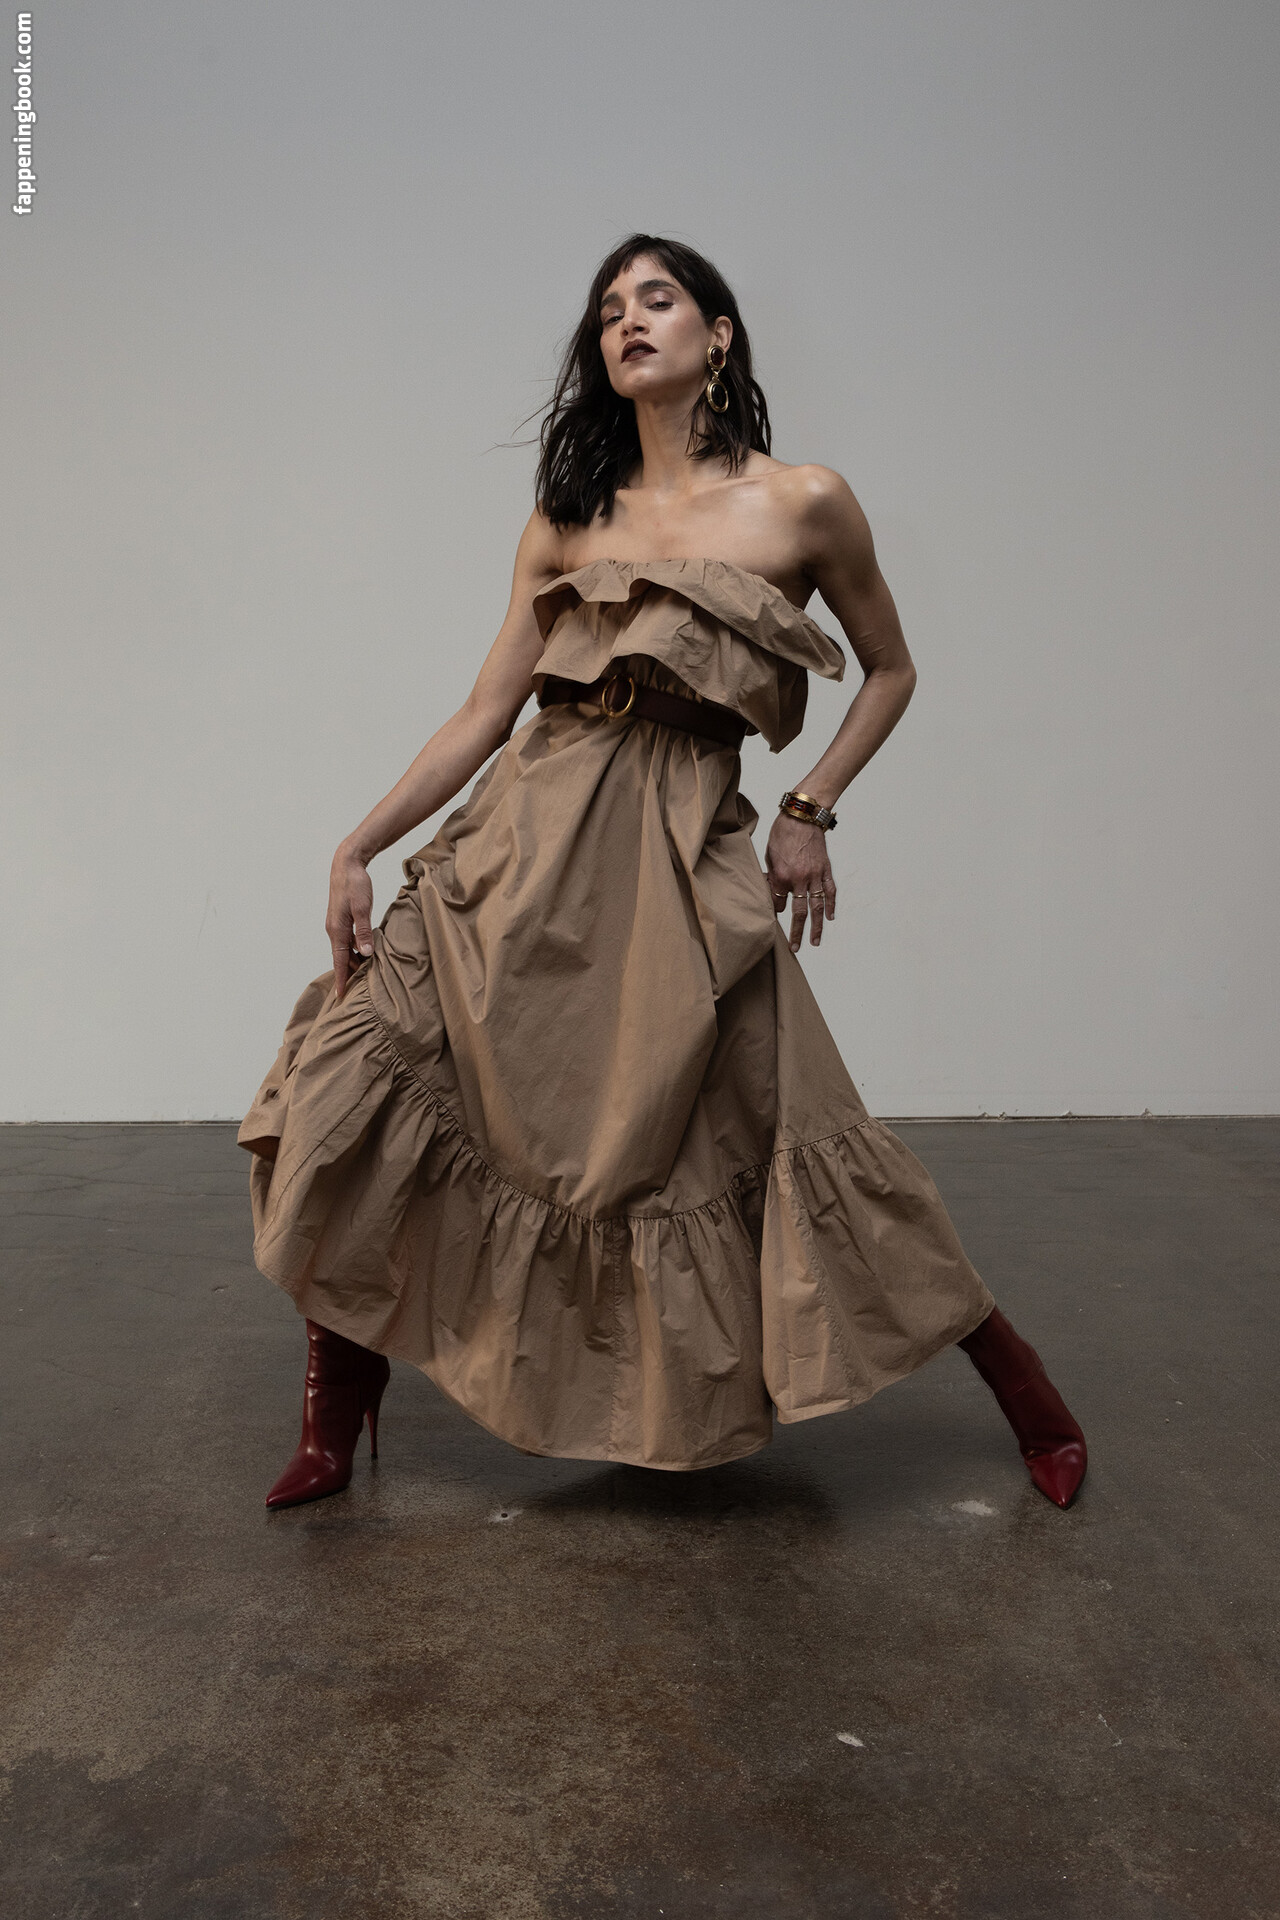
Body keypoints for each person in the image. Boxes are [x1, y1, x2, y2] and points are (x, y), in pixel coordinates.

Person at [238, 234, 1087, 1514]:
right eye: (607, 311)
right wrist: (357, 844)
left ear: (717, 333)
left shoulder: (802, 502)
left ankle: (1025, 1395)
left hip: (677, 866)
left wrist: (808, 807)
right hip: (519, 849)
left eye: (656, 299)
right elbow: (484, 714)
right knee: (356, 1080)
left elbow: (890, 669)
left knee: (794, 1124)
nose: (627, 321)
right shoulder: (567, 517)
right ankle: (335, 1408)